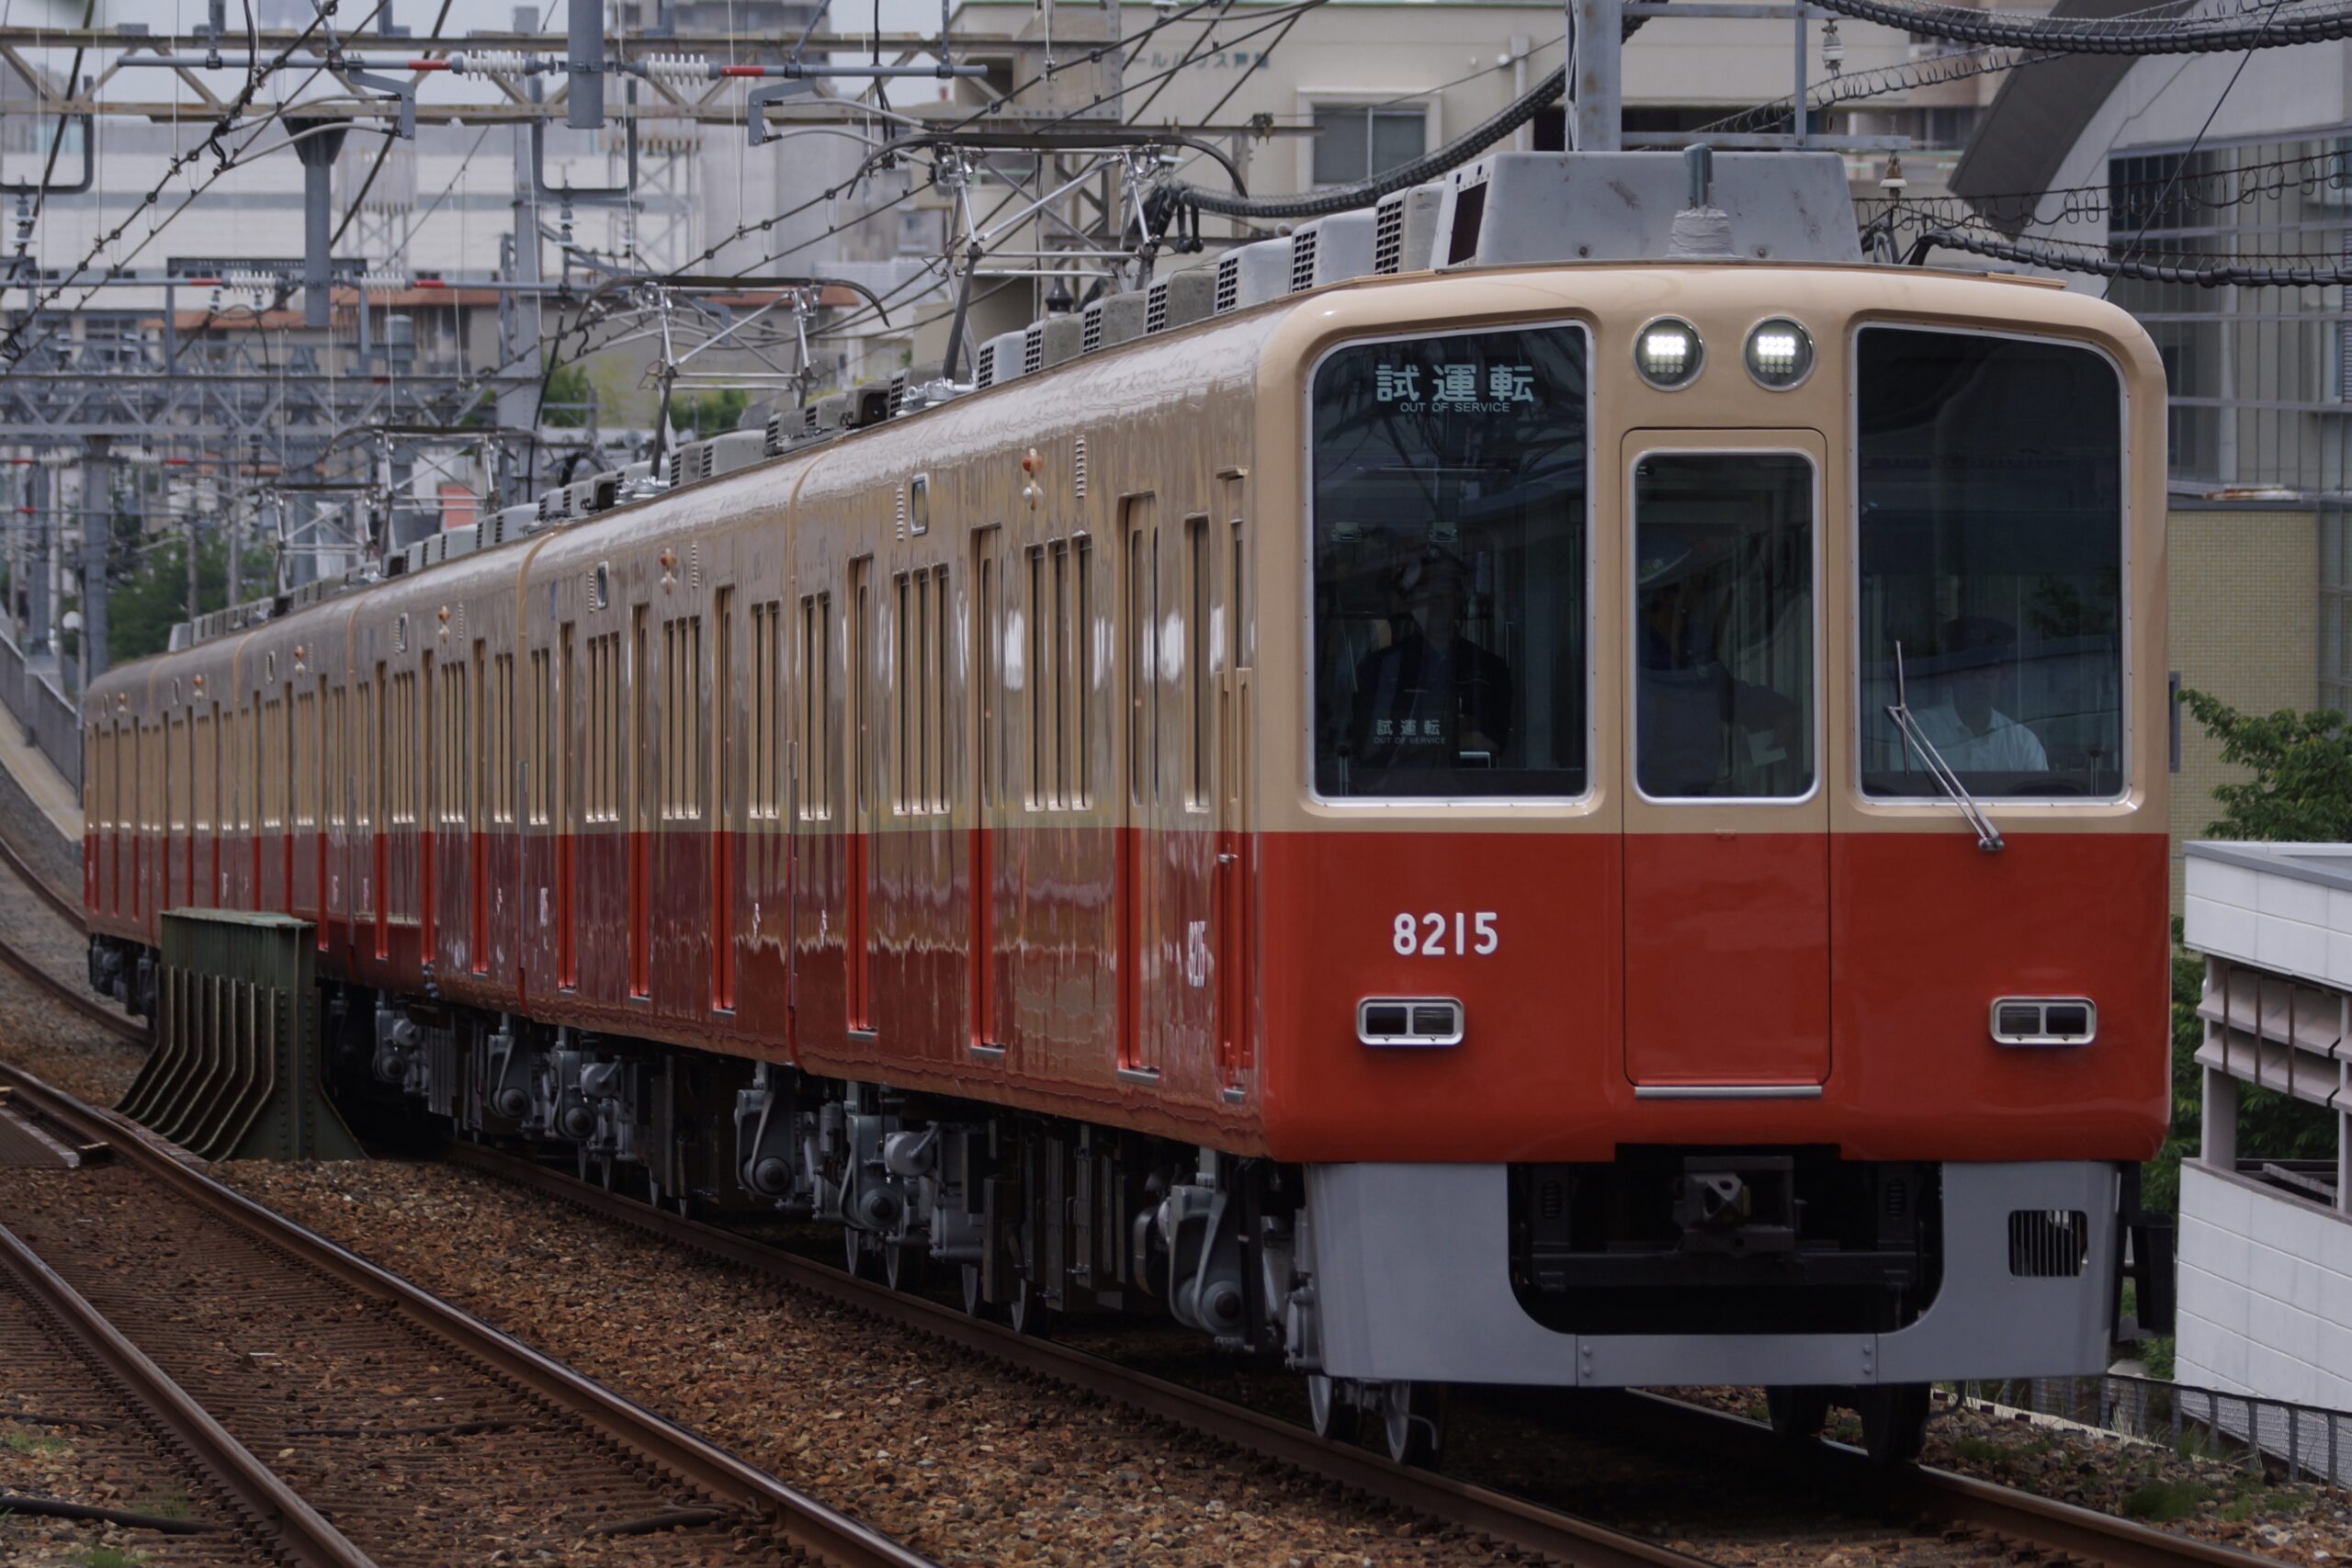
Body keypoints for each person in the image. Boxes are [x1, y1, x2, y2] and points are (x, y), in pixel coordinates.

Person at [1347, 555, 1513, 773]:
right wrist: (1456, 734)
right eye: (1424, 589)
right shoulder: (1379, 667)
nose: (1435, 600)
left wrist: (1417, 739)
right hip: (1393, 795)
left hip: (1469, 795)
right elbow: (1368, 743)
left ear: (1459, 599)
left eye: (1445, 588)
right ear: (1409, 602)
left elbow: (1491, 743)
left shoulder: (1490, 668)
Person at [1912, 616, 2047, 773]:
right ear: (1950, 673)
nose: (1978, 680)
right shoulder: (1918, 735)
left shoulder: (2023, 744)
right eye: (1968, 669)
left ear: (2002, 675)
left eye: (1988, 669)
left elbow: (2042, 795)